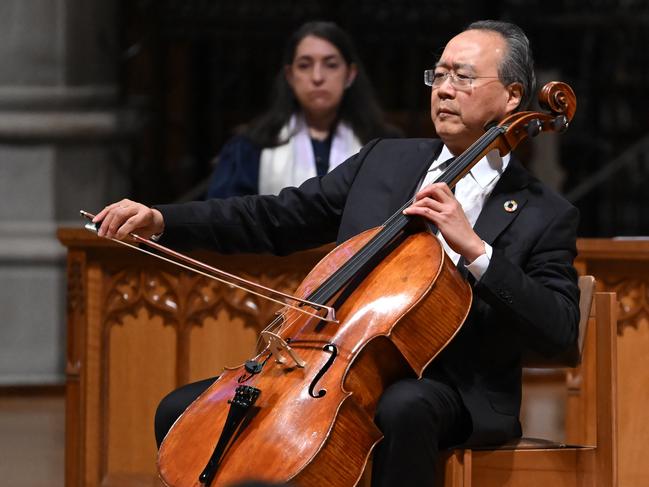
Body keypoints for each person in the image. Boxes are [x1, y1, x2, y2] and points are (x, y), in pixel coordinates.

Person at [94, 20, 580, 486]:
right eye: (440, 74)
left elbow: (558, 330)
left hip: (455, 388)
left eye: (464, 77)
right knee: (179, 410)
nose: (444, 89)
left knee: (402, 407)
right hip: (333, 368)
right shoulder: (385, 161)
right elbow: (275, 217)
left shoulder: (544, 212)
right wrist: (164, 220)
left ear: (513, 96)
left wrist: (475, 249)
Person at [205, 21, 399, 199]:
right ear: (290, 76)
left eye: (331, 65)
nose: (317, 77)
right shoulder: (252, 146)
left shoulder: (383, 145)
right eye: (305, 65)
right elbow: (226, 220)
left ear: (349, 74)